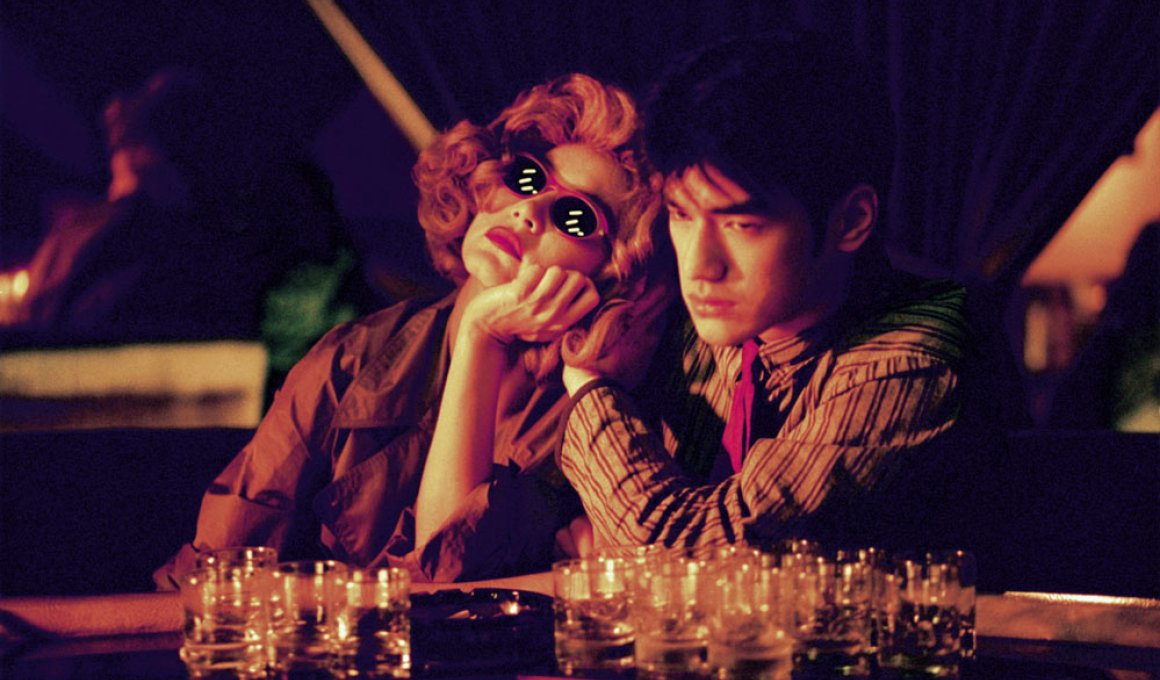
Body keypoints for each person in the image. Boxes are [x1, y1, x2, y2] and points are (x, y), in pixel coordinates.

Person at [156, 72, 666, 585]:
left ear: (614, 274)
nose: (528, 211)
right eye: (527, 177)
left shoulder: (597, 420)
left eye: (575, 216)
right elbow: (209, 582)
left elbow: (446, 579)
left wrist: (481, 337)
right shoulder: (349, 362)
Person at [557, 30, 1005, 553]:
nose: (700, 266)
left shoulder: (909, 363)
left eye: (742, 226)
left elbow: (686, 548)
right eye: (681, 215)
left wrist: (588, 386)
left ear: (851, 220)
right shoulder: (705, 321)